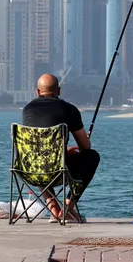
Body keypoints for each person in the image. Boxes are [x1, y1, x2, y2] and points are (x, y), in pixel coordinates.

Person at [22, 73, 101, 222]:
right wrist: (69, 151)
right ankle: (67, 209)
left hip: (29, 170)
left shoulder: (27, 110)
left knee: (36, 160)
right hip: (58, 171)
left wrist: (64, 152)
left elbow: (39, 149)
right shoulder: (69, 110)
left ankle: (53, 210)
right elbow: (85, 147)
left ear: (37, 92)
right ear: (59, 91)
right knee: (92, 156)